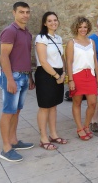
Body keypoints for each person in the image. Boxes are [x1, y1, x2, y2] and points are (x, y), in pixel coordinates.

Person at [0, 1, 35, 162]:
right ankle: (6, 148)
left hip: (24, 76)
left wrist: (30, 77)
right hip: (12, 76)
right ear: (14, 13)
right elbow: (4, 56)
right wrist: (10, 79)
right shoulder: (9, 31)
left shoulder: (27, 33)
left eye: (27, 12)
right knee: (8, 112)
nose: (25, 15)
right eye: (21, 12)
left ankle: (13, 140)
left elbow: (25, 56)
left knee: (17, 110)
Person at [34, 12, 68, 150]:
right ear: (44, 23)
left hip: (58, 73)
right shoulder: (41, 38)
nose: (53, 23)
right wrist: (56, 76)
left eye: (55, 20)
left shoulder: (58, 38)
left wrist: (64, 72)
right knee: (44, 107)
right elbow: (43, 60)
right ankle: (43, 137)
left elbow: (61, 57)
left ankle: (53, 134)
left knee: (53, 106)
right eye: (50, 21)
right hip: (46, 74)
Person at [66, 17, 98, 140]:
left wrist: (97, 76)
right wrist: (70, 80)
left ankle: (86, 126)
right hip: (77, 75)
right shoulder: (72, 43)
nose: (83, 29)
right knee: (77, 102)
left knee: (92, 103)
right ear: (76, 28)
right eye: (80, 27)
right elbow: (68, 62)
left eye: (85, 27)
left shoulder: (92, 42)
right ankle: (80, 128)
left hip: (90, 75)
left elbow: (95, 59)